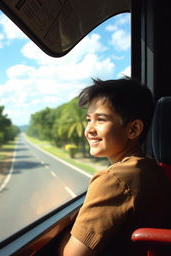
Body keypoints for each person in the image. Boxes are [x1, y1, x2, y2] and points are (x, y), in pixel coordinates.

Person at [61, 77, 171, 256]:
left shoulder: (114, 179)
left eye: (101, 120)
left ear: (133, 129)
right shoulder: (152, 168)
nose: (89, 129)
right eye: (89, 119)